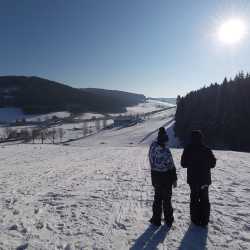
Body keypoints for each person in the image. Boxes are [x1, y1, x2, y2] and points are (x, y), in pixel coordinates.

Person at [181, 130, 216, 227]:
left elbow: (183, 164)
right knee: (205, 199)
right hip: (205, 179)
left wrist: (191, 163)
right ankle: (204, 220)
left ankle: (195, 220)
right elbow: (213, 164)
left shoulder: (188, 149)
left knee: (194, 199)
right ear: (201, 138)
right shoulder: (207, 149)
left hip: (193, 180)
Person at [148, 127, 177, 227]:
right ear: (164, 140)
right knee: (167, 200)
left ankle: (156, 219)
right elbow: (171, 166)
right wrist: (174, 179)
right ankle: (168, 220)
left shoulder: (152, 147)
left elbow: (151, 161)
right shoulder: (166, 151)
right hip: (166, 178)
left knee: (157, 198)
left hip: (155, 177)